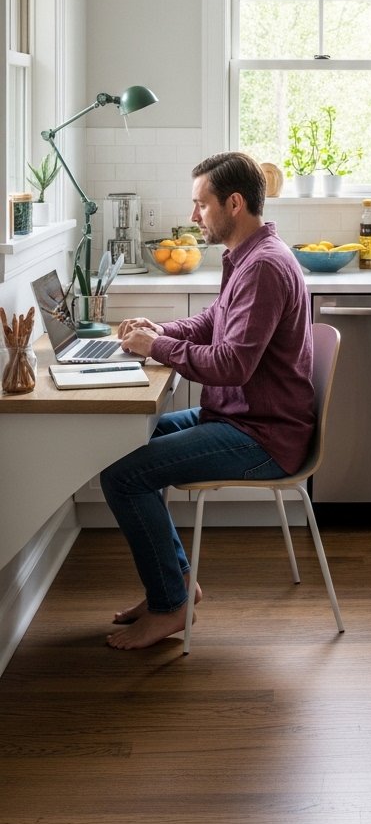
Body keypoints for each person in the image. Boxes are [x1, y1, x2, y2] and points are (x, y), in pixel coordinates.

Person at [101, 151, 314, 650]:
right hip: (242, 416)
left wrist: (158, 348)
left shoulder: (263, 267)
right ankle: (173, 586)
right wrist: (160, 330)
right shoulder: (248, 255)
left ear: (234, 203)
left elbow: (231, 364)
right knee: (119, 447)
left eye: (201, 204)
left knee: (123, 476)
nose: (194, 216)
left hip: (263, 435)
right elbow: (213, 324)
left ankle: (170, 604)